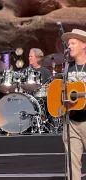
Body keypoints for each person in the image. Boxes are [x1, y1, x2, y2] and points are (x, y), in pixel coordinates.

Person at [60, 29, 86, 180]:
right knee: (72, 163)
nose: (69, 46)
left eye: (73, 43)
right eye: (68, 43)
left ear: (84, 45)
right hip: (72, 121)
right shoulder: (67, 68)